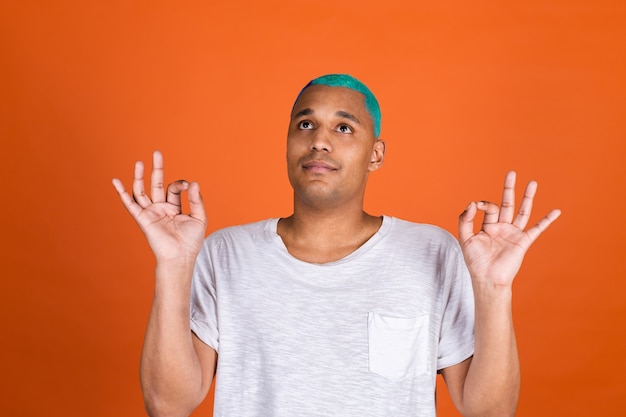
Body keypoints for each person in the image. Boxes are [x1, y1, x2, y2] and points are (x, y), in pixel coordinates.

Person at [112, 74, 561, 417]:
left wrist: (494, 290)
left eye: (344, 128)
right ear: (288, 143)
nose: (320, 140)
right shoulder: (224, 254)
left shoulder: (434, 253)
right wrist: (173, 266)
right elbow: (168, 405)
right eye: (305, 124)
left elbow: (489, 410)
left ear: (376, 153)